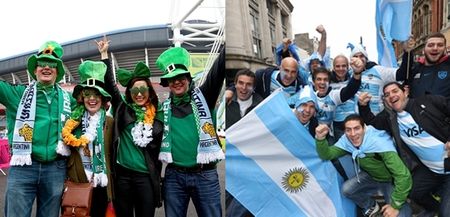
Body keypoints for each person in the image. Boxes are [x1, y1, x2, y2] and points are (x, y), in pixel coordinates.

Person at [1, 41, 75, 217]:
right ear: (34, 70)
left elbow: (95, 101)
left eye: (52, 65)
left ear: (58, 72)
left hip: (55, 169)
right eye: (42, 64)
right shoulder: (18, 94)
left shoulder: (69, 100)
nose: (46, 68)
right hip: (23, 167)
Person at [358, 81, 450, 216]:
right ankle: (435, 208)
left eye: (395, 91)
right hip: (431, 170)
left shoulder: (428, 101)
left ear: (405, 91)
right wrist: (363, 106)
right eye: (387, 95)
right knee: (413, 192)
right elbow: (372, 121)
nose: (391, 96)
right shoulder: (391, 120)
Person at [156, 46, 225, 217]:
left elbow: (218, 70)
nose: (176, 81)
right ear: (168, 83)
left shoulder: (205, 96)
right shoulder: (162, 109)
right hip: (174, 177)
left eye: (180, 77)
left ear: (188, 78)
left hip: (205, 176)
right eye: (172, 79)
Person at [98, 37, 163, 217]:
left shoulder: (159, 115)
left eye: (143, 90)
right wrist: (104, 55)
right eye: (135, 90)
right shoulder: (122, 108)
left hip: (145, 177)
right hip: (123, 178)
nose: (139, 94)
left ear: (150, 92)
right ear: (129, 93)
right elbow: (110, 85)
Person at [315, 114, 412, 217]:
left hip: (390, 180)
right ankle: (371, 206)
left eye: (357, 128)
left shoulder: (379, 143)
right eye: (348, 130)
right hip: (371, 176)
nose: (353, 134)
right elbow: (327, 155)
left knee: (399, 214)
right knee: (346, 190)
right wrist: (320, 139)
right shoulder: (346, 141)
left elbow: (403, 176)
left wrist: (395, 206)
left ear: (364, 128)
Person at [63, 60, 114, 216]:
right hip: (77, 180)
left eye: (97, 94)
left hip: (101, 181)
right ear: (82, 98)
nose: (92, 99)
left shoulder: (110, 122)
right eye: (88, 94)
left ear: (103, 98)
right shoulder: (73, 121)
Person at [225, 69, 262, 217]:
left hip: (250, 165)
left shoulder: (261, 106)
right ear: (234, 84)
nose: (244, 88)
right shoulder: (225, 102)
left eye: (249, 84)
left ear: (253, 88)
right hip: (229, 164)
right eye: (240, 83)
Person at [348, 43, 403, 115]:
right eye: (356, 56)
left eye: (362, 56)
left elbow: (400, 74)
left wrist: (407, 52)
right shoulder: (350, 73)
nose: (359, 59)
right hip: (358, 119)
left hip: (376, 117)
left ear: (366, 58)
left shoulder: (378, 70)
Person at [397, 33, 450, 98]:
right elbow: (400, 76)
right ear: (424, 49)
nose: (435, 48)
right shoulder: (416, 69)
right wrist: (407, 52)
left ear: (445, 48)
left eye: (440, 45)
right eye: (430, 45)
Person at [330, 54, 356, 139]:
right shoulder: (327, 82)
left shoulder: (354, 79)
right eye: (337, 66)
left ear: (348, 67)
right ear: (333, 67)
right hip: (338, 124)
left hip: (354, 121)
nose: (341, 69)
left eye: (343, 66)